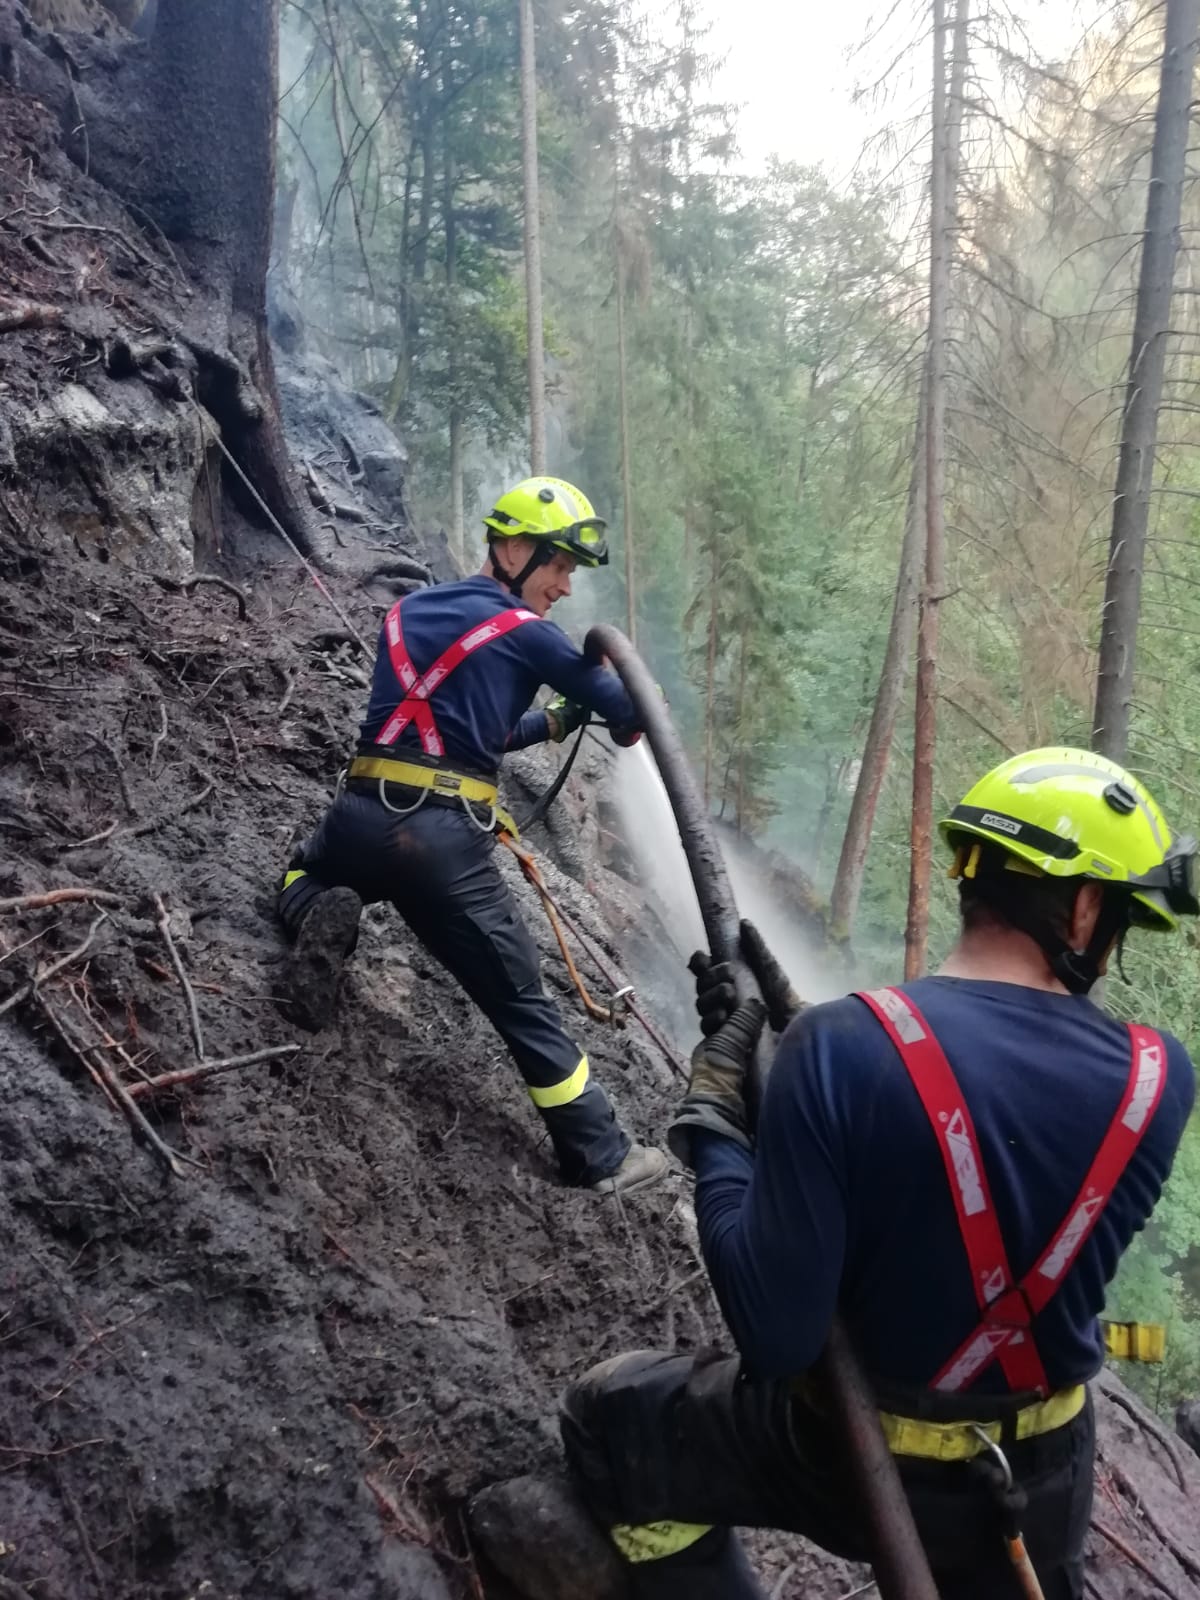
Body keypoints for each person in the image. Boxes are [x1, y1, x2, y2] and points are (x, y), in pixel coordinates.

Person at [557, 748, 1198, 1595]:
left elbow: (776, 1334)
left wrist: (719, 1119)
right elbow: (992, 1132)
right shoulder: (1161, 1078)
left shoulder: (846, 1050)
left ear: (970, 875)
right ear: (1084, 911)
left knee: (607, 1420)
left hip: (843, 1462)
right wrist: (802, 1053)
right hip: (1037, 1481)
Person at [277, 476, 668, 1197]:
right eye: (557, 566)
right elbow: (633, 716)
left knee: (298, 874)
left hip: (358, 818)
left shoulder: (406, 612)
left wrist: (552, 722)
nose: (563, 587)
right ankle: (601, 1155)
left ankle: (314, 915)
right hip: (440, 847)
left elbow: (453, 734)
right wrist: (600, 683)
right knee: (520, 1001)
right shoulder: (529, 635)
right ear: (513, 546)